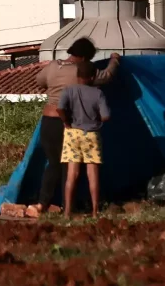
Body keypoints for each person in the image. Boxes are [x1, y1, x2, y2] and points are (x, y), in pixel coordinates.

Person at [28, 37, 119, 217]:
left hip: (47, 122)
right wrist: (115, 60)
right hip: (67, 123)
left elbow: (39, 81)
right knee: (68, 167)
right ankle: (67, 207)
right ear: (85, 58)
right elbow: (106, 76)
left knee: (53, 163)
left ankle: (42, 204)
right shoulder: (82, 72)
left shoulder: (53, 66)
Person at [56, 60, 110, 218]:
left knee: (72, 174)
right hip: (91, 134)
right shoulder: (98, 93)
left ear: (77, 75)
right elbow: (106, 116)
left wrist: (66, 122)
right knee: (92, 174)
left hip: (72, 133)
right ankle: (94, 211)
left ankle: (67, 212)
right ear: (93, 77)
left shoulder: (68, 90)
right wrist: (97, 123)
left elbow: (60, 108)